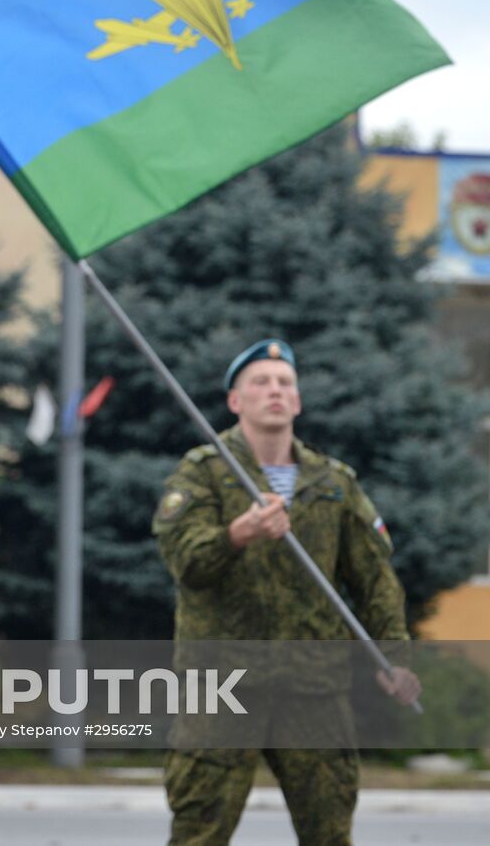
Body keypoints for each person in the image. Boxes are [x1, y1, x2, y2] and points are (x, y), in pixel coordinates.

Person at [152, 338, 422, 846]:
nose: (274, 391)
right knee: (199, 830)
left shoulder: (332, 482)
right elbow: (187, 562)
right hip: (223, 687)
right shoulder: (204, 473)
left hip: (312, 687)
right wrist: (240, 533)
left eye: (284, 383)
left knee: (329, 831)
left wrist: (394, 656)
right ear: (236, 401)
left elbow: (374, 578)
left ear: (297, 402)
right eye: (260, 382)